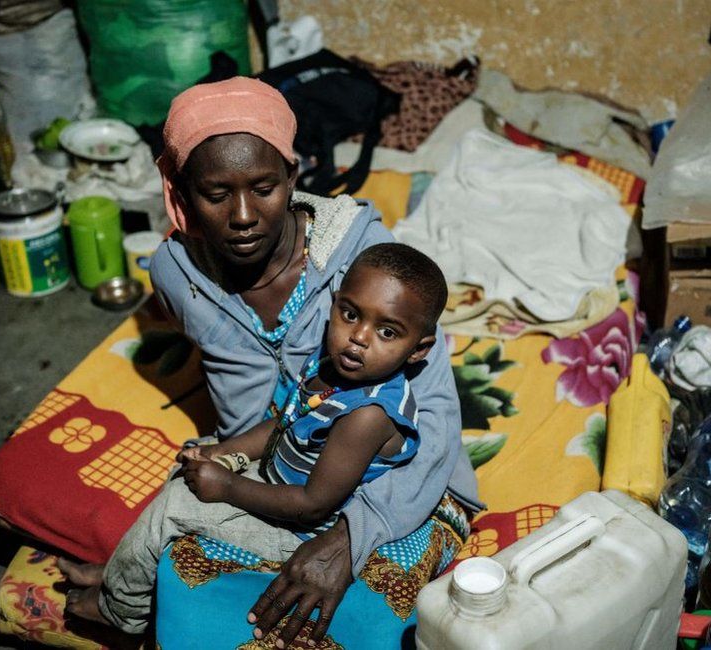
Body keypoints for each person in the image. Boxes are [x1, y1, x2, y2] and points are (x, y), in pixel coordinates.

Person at [62, 77, 480, 647]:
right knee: (183, 523)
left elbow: (434, 421)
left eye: (264, 188)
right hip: (283, 462)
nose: (243, 215)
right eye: (215, 194)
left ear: (292, 176)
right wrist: (231, 463)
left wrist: (351, 538)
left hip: (396, 490)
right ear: (180, 191)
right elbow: (269, 413)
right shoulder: (176, 274)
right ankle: (126, 584)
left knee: (360, 609)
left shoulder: (364, 264)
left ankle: (125, 596)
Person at [60, 242, 450, 633]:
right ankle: (126, 572)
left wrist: (228, 486)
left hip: (298, 529)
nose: (359, 337)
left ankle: (122, 610)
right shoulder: (332, 367)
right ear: (334, 304)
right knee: (191, 464)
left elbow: (312, 506)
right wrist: (222, 451)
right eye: (350, 314)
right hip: (280, 483)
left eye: (387, 332)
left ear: (418, 350)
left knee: (176, 505)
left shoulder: (367, 415)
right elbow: (284, 424)